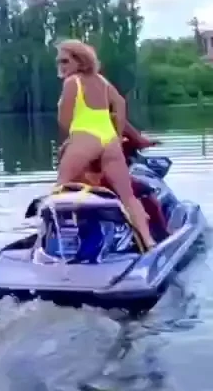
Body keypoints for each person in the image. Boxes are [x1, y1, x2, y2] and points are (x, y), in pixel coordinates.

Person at [54, 39, 154, 251]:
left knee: (60, 189)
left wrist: (71, 139)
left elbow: (64, 119)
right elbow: (120, 104)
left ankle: (55, 244)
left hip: (84, 137)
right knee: (128, 196)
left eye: (64, 61)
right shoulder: (102, 81)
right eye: (59, 61)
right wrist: (117, 135)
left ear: (80, 61)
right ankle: (148, 241)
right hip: (109, 140)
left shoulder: (72, 82)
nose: (60, 66)